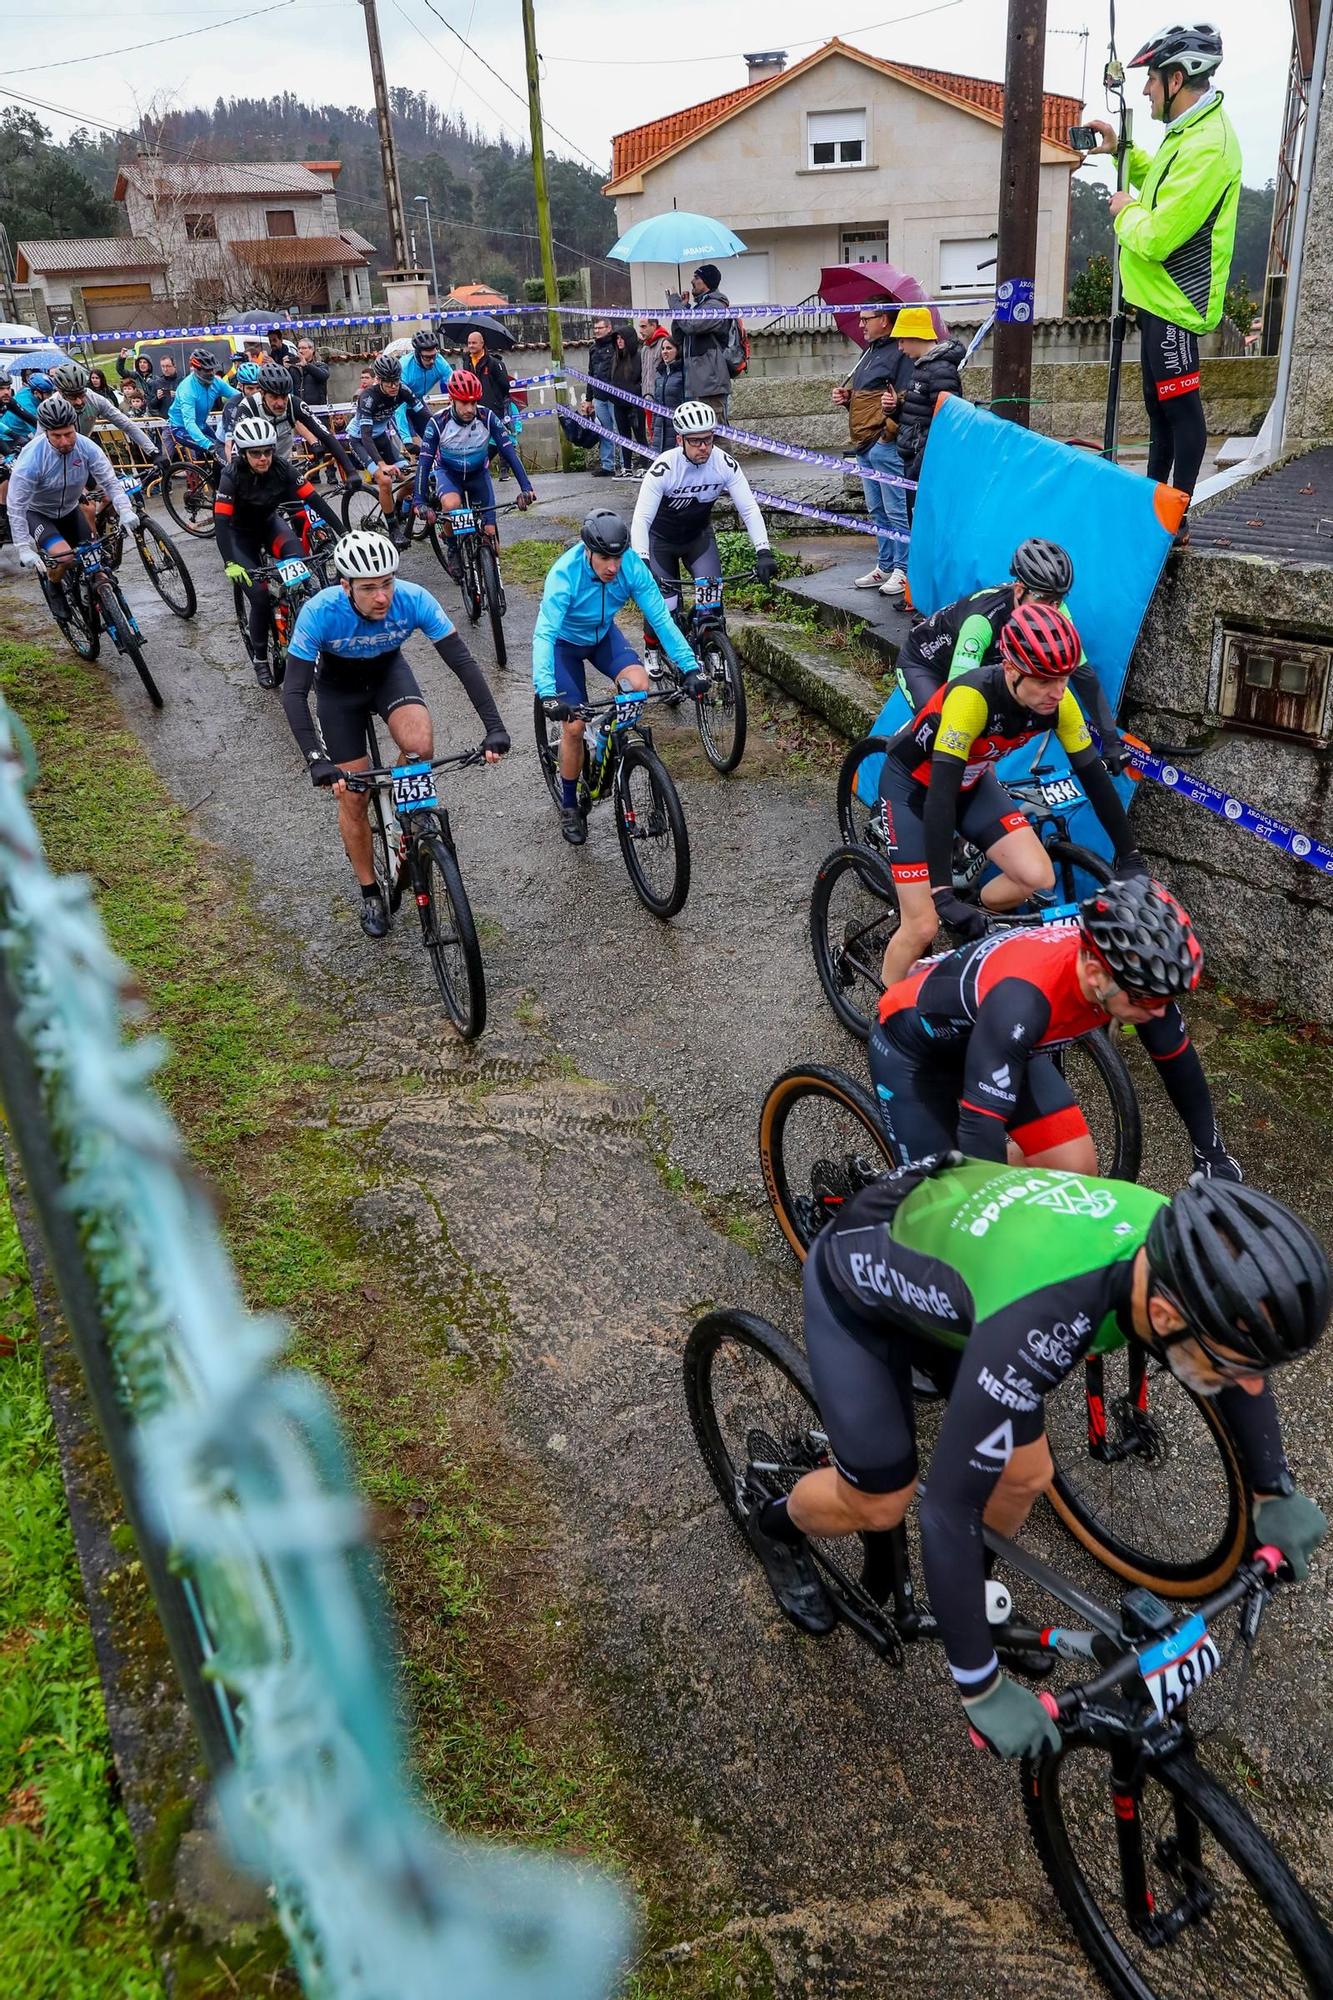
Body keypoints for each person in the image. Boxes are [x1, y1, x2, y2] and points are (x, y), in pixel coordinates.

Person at [751, 1151, 1329, 1760]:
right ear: (1162, 1315)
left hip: (972, 1287)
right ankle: (775, 1523)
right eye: (1226, 1364)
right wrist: (979, 1687)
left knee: (1026, 1473)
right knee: (880, 1501)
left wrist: (1274, 1488)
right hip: (863, 1283)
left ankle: (965, 1594)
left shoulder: (1178, 1261)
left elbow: (1245, 1370)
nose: (1237, 1381)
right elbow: (947, 1512)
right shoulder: (1049, 1317)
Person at [869, 874, 1242, 1179]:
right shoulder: (1025, 999)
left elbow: (1178, 1063)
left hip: (995, 1038)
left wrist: (1212, 1155)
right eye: (1147, 1001)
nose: (1159, 1013)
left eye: (1164, 1000)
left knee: (1074, 1172)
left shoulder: (1131, 978)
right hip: (915, 1049)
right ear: (1097, 975)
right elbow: (980, 1128)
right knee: (943, 1203)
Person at [875, 599, 1144, 985]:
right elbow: (939, 798)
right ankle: (890, 1018)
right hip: (914, 788)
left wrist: (1130, 856)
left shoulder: (1059, 702)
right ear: (1012, 669)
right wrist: (942, 893)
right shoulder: (972, 699)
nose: (1057, 691)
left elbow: (1094, 780)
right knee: (922, 926)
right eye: (1043, 680)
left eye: (1064, 678)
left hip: (972, 781)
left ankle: (980, 919)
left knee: (1038, 878)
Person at [281, 529, 510, 938]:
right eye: (368, 588)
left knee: (419, 745)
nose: (382, 597)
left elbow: (463, 663)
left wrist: (494, 728)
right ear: (345, 585)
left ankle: (401, 802)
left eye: (387, 583)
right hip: (339, 690)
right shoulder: (319, 611)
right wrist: (316, 759)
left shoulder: (415, 599)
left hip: (388, 674)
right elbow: (295, 692)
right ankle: (370, 890)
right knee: (353, 793)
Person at [1085, 22, 1238, 521]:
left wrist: (1123, 209)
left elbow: (1156, 235)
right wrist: (1120, 151)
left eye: (1151, 78)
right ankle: (1156, 509)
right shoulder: (1187, 133)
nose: (1146, 90)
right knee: (1159, 413)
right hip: (1156, 300)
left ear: (1176, 79)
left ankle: (1176, 517)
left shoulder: (1207, 146)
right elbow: (1159, 184)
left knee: (1180, 412)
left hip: (1177, 302)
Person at [532, 510, 702, 846]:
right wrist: (547, 693)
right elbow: (545, 635)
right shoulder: (565, 575)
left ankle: (607, 738)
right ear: (588, 551)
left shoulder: (631, 568)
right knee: (575, 726)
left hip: (603, 638)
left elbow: (662, 621)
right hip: (564, 645)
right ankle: (570, 805)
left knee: (639, 685)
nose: (613, 567)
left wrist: (690, 667)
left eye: (618, 557)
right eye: (605, 558)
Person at [895, 538, 1125, 764]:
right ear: (1018, 590)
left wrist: (1111, 741)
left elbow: (1084, 676)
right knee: (947, 732)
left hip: (976, 665)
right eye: (1043, 598)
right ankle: (900, 772)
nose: (1051, 609)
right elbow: (960, 694)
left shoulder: (1056, 612)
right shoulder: (982, 620)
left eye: (1058, 600)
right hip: (923, 664)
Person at [629, 401, 777, 648]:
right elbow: (641, 519)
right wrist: (642, 560)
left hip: (698, 539)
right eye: (695, 441)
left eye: (708, 440)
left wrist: (763, 551)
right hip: (661, 543)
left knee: (711, 608)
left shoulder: (724, 464)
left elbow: (749, 509)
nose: (704, 447)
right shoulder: (665, 468)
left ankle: (714, 652)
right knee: (664, 607)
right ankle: (652, 649)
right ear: (680, 440)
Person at [213, 412, 342, 689]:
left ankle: (293, 611)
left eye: (268, 452)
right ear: (244, 454)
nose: (263, 459)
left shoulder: (282, 468)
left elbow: (315, 501)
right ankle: (260, 658)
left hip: (270, 526)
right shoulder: (231, 476)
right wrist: (229, 563)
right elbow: (221, 524)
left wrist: (344, 535)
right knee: (259, 597)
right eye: (256, 453)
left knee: (301, 574)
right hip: (239, 537)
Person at [7, 393, 140, 584]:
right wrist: (23, 547)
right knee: (64, 557)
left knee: (97, 565)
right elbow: (16, 506)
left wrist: (125, 510)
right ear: (45, 433)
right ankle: (53, 586)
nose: (65, 442)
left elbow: (110, 482)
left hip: (70, 509)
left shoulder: (87, 447)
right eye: (57, 436)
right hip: (38, 513)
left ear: (74, 428)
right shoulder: (31, 459)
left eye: (68, 434)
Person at [413, 368, 534, 573]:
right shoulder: (438, 423)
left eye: (473, 402)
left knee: (492, 542)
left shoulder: (487, 417)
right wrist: (419, 501)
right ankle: (452, 549)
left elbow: (509, 453)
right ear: (452, 399)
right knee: (452, 505)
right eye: (464, 402)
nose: (470, 408)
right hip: (449, 474)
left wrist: (526, 488)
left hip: (478, 474)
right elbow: (424, 463)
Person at [834, 302, 914, 597]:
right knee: (877, 509)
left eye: (866, 318)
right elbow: (869, 398)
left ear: (885, 319)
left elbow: (903, 398)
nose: (861, 324)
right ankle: (885, 564)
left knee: (896, 511)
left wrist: (887, 437)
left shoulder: (900, 352)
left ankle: (903, 570)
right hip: (865, 444)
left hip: (883, 444)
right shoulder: (869, 352)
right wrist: (848, 398)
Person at [225, 359, 352, 476]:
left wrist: (351, 472)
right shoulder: (246, 407)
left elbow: (326, 436)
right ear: (262, 393)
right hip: (255, 468)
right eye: (274, 397)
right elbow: (236, 451)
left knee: (309, 497)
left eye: (284, 396)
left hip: (282, 463)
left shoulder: (293, 403)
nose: (280, 403)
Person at [890, 306, 966, 498]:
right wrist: (894, 409)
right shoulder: (922, 367)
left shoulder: (940, 371)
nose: (900, 347)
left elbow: (946, 424)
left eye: (902, 340)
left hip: (925, 465)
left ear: (915, 336)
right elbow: (918, 415)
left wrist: (918, 464)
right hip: (916, 460)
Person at [48, 359, 160, 472]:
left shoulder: (94, 399)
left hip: (84, 448)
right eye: (72, 397)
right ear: (60, 392)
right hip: (57, 456)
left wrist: (152, 451)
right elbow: (40, 444)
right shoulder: (50, 407)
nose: (79, 401)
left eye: (81, 394)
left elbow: (125, 424)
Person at [348, 354, 423, 521]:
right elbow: (366, 436)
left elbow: (424, 414)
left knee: (411, 481)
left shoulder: (402, 389)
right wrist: (381, 464)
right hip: (360, 440)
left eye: (396, 380)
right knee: (385, 481)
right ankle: (393, 528)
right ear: (379, 380)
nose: (394, 386)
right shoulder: (368, 397)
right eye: (389, 382)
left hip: (381, 437)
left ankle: (397, 509)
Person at [671, 263, 733, 423]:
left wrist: (676, 305)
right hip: (696, 383)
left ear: (707, 282)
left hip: (710, 384)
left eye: (696, 277)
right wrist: (683, 308)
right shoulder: (700, 308)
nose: (692, 281)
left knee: (717, 435)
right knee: (700, 435)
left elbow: (691, 326)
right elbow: (678, 336)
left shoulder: (716, 305)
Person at [169, 349, 239, 461]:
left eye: (212, 369)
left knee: (222, 447)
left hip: (201, 425)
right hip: (182, 428)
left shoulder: (216, 382)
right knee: (218, 450)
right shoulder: (187, 389)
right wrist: (208, 445)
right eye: (207, 370)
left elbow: (238, 396)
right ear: (196, 370)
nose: (211, 373)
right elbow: (189, 423)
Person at [582, 317, 620, 476]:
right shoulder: (593, 349)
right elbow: (591, 374)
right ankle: (607, 465)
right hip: (599, 397)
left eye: (600, 328)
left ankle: (625, 465)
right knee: (604, 432)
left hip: (615, 396)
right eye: (595, 328)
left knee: (619, 432)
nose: (597, 331)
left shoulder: (616, 345)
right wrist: (589, 399)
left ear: (609, 328)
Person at [400, 328, 453, 439]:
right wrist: (407, 439)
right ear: (418, 354)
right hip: (401, 406)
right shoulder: (404, 367)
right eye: (427, 357)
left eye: (434, 355)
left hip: (418, 402)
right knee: (413, 444)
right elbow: (399, 409)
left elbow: (453, 385)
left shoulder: (439, 362)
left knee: (435, 435)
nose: (432, 361)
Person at [610, 326, 645, 458]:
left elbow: (642, 381)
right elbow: (611, 380)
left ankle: (644, 464)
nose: (619, 341)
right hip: (618, 405)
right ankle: (627, 468)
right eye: (617, 338)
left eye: (622, 338)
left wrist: (634, 393)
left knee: (640, 436)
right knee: (624, 437)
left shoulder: (638, 357)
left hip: (635, 405)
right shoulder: (615, 359)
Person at [464, 329, 509, 426]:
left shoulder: (494, 363)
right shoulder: (466, 362)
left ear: (482, 343)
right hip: (473, 410)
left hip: (493, 411)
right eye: (469, 343)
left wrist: (495, 401)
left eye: (474, 343)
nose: (471, 345)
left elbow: (505, 386)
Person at [650, 338, 686, 451]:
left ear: (678, 351)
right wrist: (653, 427)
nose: (665, 351)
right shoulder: (659, 374)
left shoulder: (684, 373)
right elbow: (656, 404)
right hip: (659, 430)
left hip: (677, 429)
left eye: (669, 348)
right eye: (663, 348)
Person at [288, 336, 330, 409]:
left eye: (304, 348)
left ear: (312, 350)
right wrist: (284, 368)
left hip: (318, 411)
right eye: (299, 348)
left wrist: (306, 366)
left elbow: (323, 376)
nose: (300, 351)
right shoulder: (293, 368)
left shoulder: (320, 365)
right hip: (299, 411)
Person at [637, 317, 668, 405]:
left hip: (661, 401)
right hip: (647, 399)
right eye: (640, 327)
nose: (640, 331)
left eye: (643, 327)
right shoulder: (645, 347)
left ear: (653, 326)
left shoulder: (665, 344)